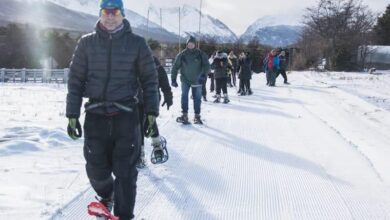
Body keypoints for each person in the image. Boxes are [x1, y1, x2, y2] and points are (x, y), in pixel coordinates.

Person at [65, 0, 159, 219]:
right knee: (96, 168)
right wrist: (72, 114)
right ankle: (107, 194)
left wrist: (152, 112)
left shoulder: (137, 43)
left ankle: (125, 215)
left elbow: (149, 80)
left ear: (123, 15)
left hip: (126, 115)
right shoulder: (86, 43)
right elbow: (76, 80)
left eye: (114, 11)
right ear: (99, 14)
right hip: (95, 115)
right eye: (105, 12)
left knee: (126, 172)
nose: (109, 16)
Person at [137, 55, 172, 169]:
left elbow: (165, 84)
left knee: (150, 121)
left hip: (152, 98)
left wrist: (168, 97)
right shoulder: (133, 65)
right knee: (138, 126)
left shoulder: (157, 66)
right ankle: (140, 154)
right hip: (136, 100)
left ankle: (157, 145)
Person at [171, 36, 210, 124]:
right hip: (185, 80)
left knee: (197, 98)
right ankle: (184, 115)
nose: (190, 45)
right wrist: (173, 79)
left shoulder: (200, 54)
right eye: (189, 44)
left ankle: (197, 116)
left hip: (197, 80)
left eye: (192, 44)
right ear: (187, 44)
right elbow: (175, 67)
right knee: (184, 96)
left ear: (195, 44)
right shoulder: (182, 54)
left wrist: (204, 74)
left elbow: (207, 65)